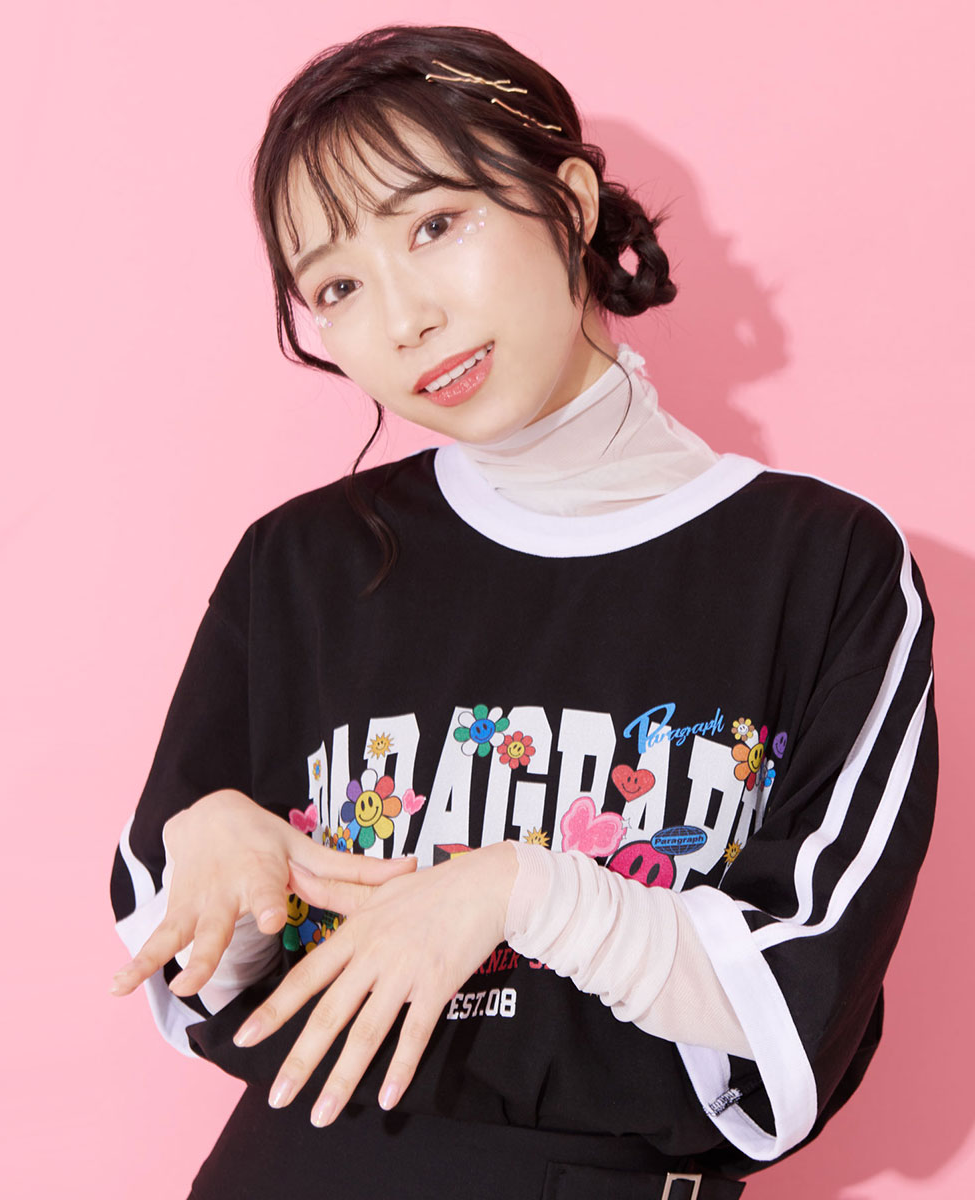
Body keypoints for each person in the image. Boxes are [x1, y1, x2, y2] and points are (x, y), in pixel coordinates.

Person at [108, 23, 937, 1200]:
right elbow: (195, 981)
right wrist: (219, 845)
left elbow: (799, 992)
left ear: (571, 203)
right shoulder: (298, 566)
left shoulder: (819, 564)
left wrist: (522, 889)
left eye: (436, 225)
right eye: (338, 286)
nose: (404, 319)